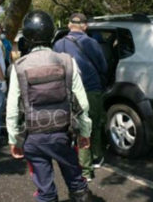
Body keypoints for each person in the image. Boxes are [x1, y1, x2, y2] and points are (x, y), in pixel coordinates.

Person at [6, 10, 93, 202]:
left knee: (45, 192)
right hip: (63, 135)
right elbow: (82, 103)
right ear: (52, 33)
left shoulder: (18, 66)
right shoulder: (67, 61)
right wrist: (84, 133)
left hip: (33, 138)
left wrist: (14, 139)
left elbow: (12, 109)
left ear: (27, 37)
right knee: (77, 185)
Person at [53, 13, 108, 181]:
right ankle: (92, 162)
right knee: (94, 124)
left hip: (69, 91)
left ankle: (85, 165)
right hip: (91, 89)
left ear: (69, 25)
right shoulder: (91, 43)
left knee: (78, 129)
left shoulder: (58, 44)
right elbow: (103, 66)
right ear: (85, 26)